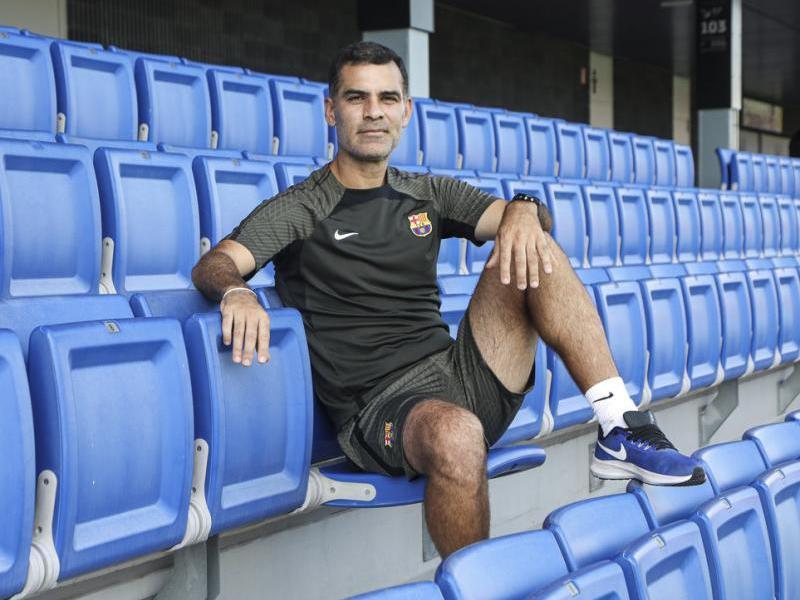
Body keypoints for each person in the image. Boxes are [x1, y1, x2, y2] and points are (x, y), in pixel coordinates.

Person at [192, 41, 705, 558]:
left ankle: (618, 424)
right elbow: (215, 263)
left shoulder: (427, 193)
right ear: (331, 110)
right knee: (457, 433)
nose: (373, 112)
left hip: (462, 376)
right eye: (356, 98)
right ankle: (474, 582)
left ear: (406, 111)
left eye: (388, 98)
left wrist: (524, 209)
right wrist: (237, 291)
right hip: (383, 408)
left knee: (532, 242)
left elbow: (527, 219)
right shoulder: (302, 207)